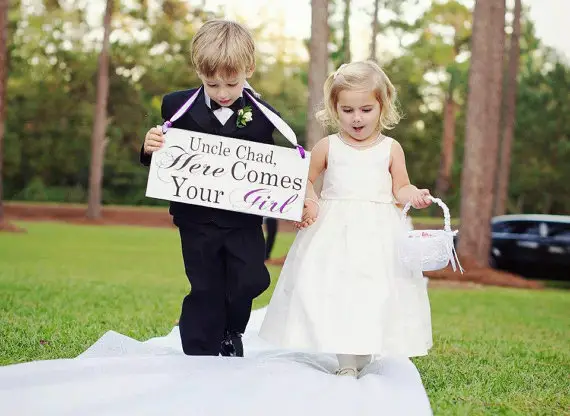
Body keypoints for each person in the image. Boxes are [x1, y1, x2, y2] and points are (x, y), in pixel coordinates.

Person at [259, 61, 433, 377]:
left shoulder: (392, 149)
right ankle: (346, 362)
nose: (356, 118)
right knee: (340, 291)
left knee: (372, 293)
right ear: (335, 108)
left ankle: (363, 347)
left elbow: (401, 188)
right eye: (347, 110)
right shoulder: (328, 146)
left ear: (382, 107)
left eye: (366, 109)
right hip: (335, 232)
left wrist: (415, 194)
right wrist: (309, 201)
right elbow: (305, 180)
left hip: (378, 234)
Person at [141, 19, 283, 357]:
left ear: (249, 69)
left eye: (231, 84)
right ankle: (201, 349)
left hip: (243, 221)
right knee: (205, 285)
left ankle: (232, 328)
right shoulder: (175, 106)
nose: (221, 93)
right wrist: (149, 147)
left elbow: (274, 168)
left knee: (248, 280)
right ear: (199, 72)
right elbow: (163, 153)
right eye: (212, 83)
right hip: (196, 219)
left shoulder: (264, 116)